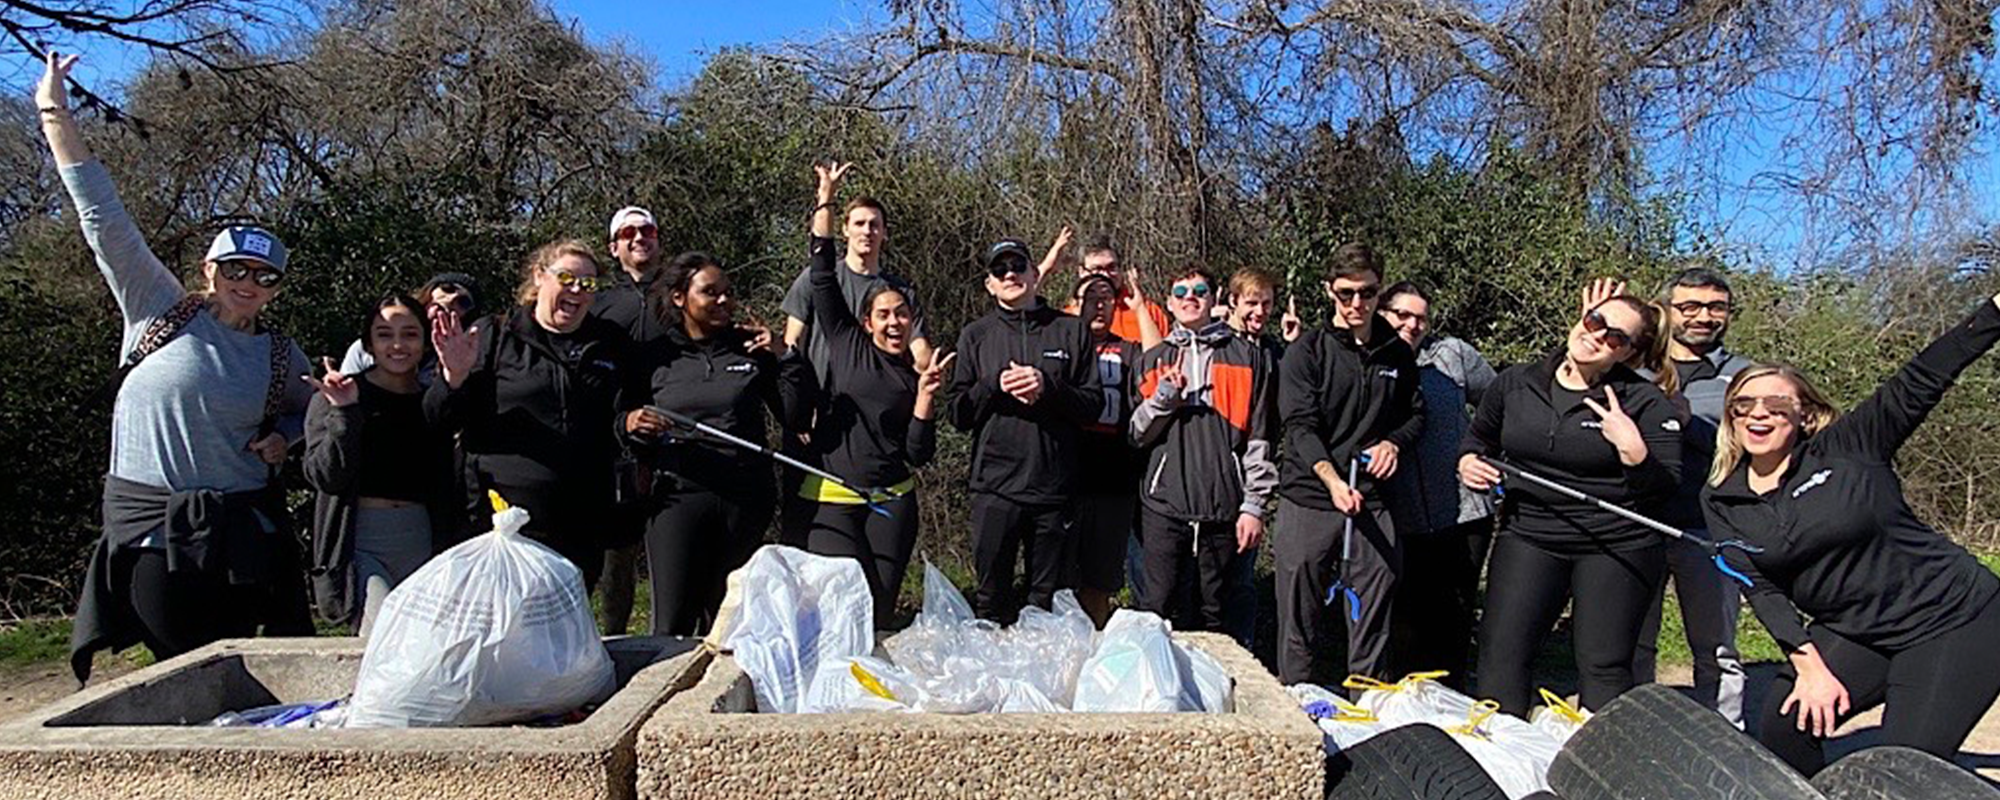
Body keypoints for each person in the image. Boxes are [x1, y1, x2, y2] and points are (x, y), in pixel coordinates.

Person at [45, 53, 314, 682]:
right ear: (208, 271)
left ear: (276, 287)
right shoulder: (156, 310)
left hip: (238, 535)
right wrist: (55, 114)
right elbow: (103, 221)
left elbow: (316, 411)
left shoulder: (279, 352)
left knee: (235, 673)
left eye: (264, 275)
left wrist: (285, 439)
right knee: (175, 669)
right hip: (149, 531)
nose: (248, 282)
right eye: (235, 269)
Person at [1702, 292, 2000, 775]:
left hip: (1955, 619)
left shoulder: (1849, 448)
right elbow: (1762, 589)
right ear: (1731, 416)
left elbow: (1921, 378)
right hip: (1858, 631)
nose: (1759, 414)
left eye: (1777, 404)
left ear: (1804, 414)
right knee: (1784, 720)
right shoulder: (1720, 498)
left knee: (1902, 766)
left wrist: (1994, 313)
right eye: (1744, 404)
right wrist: (1810, 668)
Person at [1458, 291, 1681, 716]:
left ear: (1629, 354)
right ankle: (1500, 757)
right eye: (1596, 321)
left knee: (1603, 664)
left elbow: (1666, 488)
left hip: (1617, 544)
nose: (1597, 336)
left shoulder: (1644, 403)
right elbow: (1478, 439)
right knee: (1501, 654)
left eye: (1615, 337)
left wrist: (1635, 454)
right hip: (1530, 535)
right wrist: (1468, 462)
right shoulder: (1516, 382)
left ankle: (1600, 767)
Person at [790, 162, 953, 625]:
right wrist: (826, 198)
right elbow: (821, 269)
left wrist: (925, 400)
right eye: (884, 314)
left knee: (879, 613)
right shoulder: (846, 344)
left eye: (902, 314)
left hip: (892, 503)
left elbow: (918, 455)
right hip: (833, 497)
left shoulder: (912, 377)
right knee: (835, 610)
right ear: (867, 322)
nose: (894, 321)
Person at [618, 252, 804, 636]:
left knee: (729, 619)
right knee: (673, 619)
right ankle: (668, 693)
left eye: (727, 293)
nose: (723, 300)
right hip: (678, 496)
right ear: (679, 298)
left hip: (745, 496)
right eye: (710, 292)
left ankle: (722, 696)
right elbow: (619, 419)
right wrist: (631, 422)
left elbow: (795, 416)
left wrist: (785, 356)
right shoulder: (653, 356)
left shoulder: (750, 347)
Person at [427, 240, 630, 588]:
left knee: (566, 630)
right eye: (566, 278)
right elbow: (438, 418)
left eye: (588, 284)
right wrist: (454, 378)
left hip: (581, 522)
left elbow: (623, 416)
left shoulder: (610, 343)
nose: (577, 290)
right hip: (504, 521)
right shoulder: (493, 335)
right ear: (539, 276)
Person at [1273, 243, 1424, 685]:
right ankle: (1297, 699)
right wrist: (1332, 480)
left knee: (1374, 609)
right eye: (1345, 293)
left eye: (1367, 292)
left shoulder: (1396, 353)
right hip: (1312, 494)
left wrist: (1393, 444)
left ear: (1380, 291)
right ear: (1329, 291)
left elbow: (1416, 414)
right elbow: (1299, 426)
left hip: (1373, 498)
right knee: (1299, 613)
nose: (1357, 304)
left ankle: (1368, 704)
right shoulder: (1308, 351)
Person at [947, 238, 1102, 623]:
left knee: (1045, 606)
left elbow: (1093, 405)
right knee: (990, 601)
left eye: (1018, 266)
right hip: (994, 489)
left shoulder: (1071, 331)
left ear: (1035, 274)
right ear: (990, 284)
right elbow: (958, 414)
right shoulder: (975, 335)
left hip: (1054, 492)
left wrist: (1047, 386)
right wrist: (993, 385)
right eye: (1000, 270)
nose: (1010, 274)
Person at [1627, 268, 1756, 727]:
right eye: (1690, 307)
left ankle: (1726, 740)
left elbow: (1753, 443)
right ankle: (1634, 735)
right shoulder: (1634, 370)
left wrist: (1683, 424)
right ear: (1668, 310)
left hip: (1708, 528)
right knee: (1633, 642)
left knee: (1717, 647)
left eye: (1715, 307)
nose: (1704, 317)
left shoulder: (1742, 376)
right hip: (1635, 523)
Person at [1130, 268, 1279, 634]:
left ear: (1214, 300)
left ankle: (1218, 689)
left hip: (1224, 508)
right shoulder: (1152, 358)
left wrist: (1254, 506)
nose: (1189, 297)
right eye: (1180, 290)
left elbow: (1261, 437)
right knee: (1157, 609)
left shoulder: (1248, 357)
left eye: (1199, 290)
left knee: (1216, 614)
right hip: (1164, 505)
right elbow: (1136, 434)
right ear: (1168, 303)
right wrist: (1165, 398)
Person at [303, 296, 458, 637]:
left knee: (420, 641)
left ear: (426, 339)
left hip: (420, 537)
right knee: (382, 633)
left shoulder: (433, 400)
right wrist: (344, 413)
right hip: (361, 538)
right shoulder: (338, 394)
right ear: (369, 342)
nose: (398, 345)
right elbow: (324, 476)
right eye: (385, 334)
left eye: (410, 334)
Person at [1375, 282, 1498, 689]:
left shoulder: (1453, 356)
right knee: (1406, 616)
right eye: (1402, 315)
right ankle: (1408, 705)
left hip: (1465, 510)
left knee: (1455, 612)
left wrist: (1483, 454)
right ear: (1382, 314)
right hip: (1400, 514)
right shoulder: (1369, 362)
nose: (1412, 324)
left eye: (1421, 317)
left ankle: (1453, 700)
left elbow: (1501, 406)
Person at [592, 206, 667, 637]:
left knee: (670, 549)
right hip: (616, 443)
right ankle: (612, 638)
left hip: (675, 439)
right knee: (616, 555)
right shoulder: (599, 305)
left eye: (647, 230)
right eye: (628, 233)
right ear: (614, 246)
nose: (639, 238)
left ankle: (674, 638)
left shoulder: (679, 296)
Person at [1069, 272, 1154, 626]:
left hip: (1114, 477)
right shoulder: (1060, 342)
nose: (1099, 304)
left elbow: (1158, 359)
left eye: (1107, 297)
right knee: (1059, 577)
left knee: (1100, 580)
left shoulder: (1127, 349)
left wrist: (1139, 307)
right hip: (1066, 476)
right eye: (1090, 297)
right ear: (1075, 305)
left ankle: (1094, 648)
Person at [1216, 267, 1295, 646]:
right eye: (1251, 302)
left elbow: (1269, 425)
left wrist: (1294, 348)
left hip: (1250, 479)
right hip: (1207, 480)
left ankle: (1243, 659)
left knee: (1240, 583)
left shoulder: (1272, 352)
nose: (1259, 311)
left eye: (1266, 303)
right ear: (1231, 301)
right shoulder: (1212, 345)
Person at [1036, 228, 1168, 349]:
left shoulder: (1148, 312)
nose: (1105, 275)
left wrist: (1140, 310)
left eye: (1112, 267)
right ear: (1082, 272)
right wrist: (1046, 268)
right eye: (1097, 269)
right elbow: (1020, 305)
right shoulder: (1067, 317)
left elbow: (1159, 361)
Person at [338, 273, 479, 379]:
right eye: (447, 288)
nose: (451, 298)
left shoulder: (456, 359)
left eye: (463, 302)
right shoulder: (363, 349)